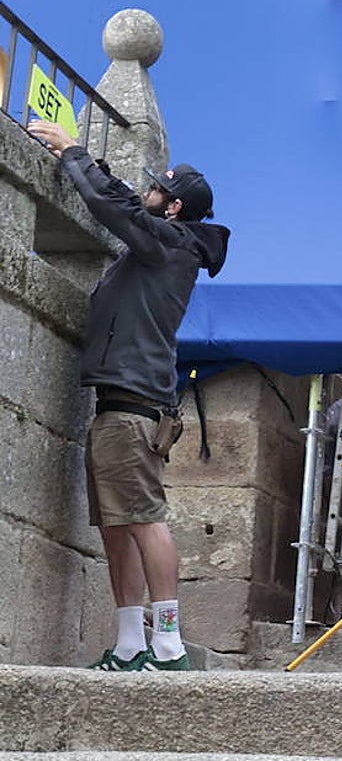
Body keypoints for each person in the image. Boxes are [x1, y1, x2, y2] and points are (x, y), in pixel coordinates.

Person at [29, 119, 230, 671]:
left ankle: (168, 646)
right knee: (118, 527)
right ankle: (128, 645)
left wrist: (76, 155)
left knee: (143, 520)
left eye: (156, 189)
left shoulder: (169, 244)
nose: (147, 192)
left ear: (173, 208)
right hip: (122, 406)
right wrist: (93, 166)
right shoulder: (165, 239)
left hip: (134, 408)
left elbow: (116, 209)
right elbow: (128, 205)